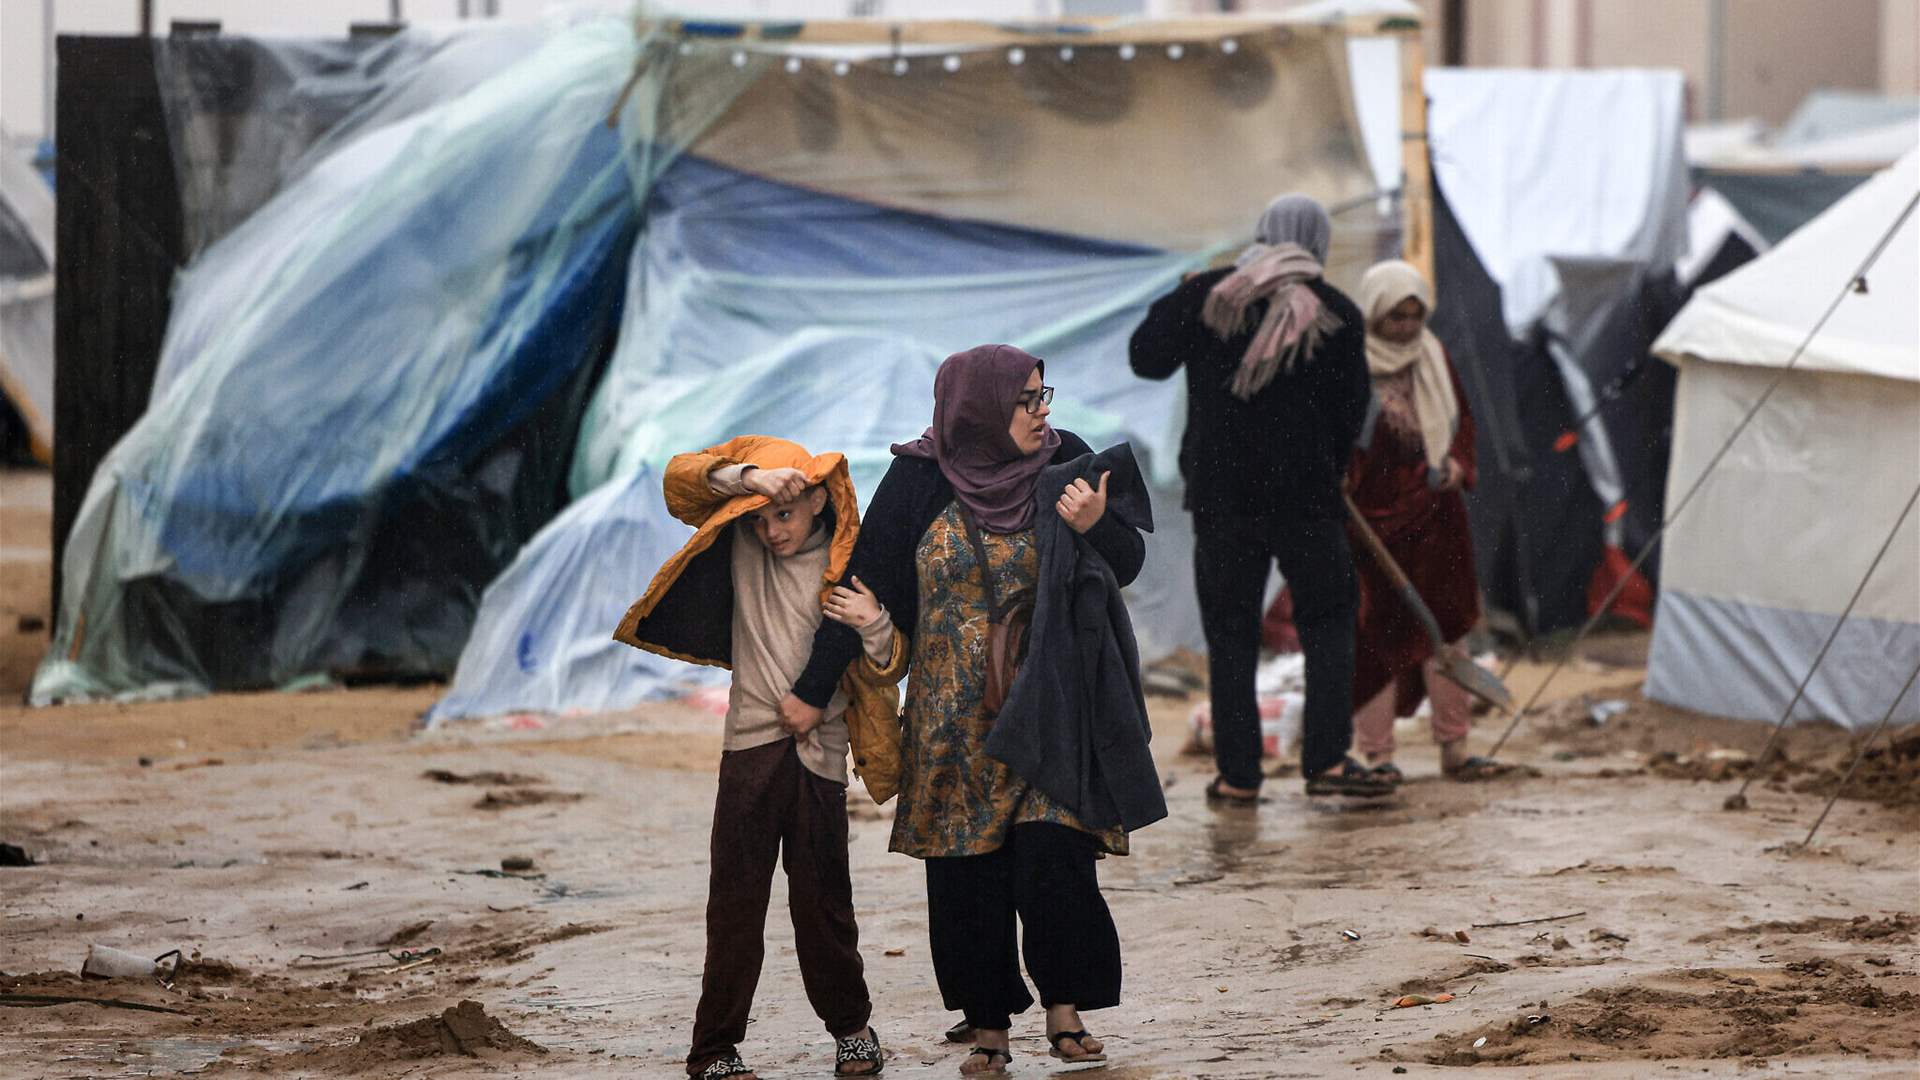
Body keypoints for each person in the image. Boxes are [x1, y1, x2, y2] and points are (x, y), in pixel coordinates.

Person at [782, 345, 1157, 1077]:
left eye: (1045, 394)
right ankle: (988, 1027)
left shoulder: (1067, 461)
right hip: (953, 723)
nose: (1043, 411)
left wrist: (1094, 525)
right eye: (1027, 399)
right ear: (978, 407)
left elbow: (1127, 562)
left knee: (1057, 860)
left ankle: (1066, 1011)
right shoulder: (920, 480)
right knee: (966, 877)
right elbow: (865, 584)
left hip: (1053, 703)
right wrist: (810, 689)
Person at [611, 436, 900, 1080]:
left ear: (821, 501)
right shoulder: (742, 540)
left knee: (824, 904)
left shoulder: (848, 567)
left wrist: (875, 622)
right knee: (735, 904)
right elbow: (682, 480)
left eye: (787, 516)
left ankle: (852, 1030)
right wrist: (753, 481)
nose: (772, 531)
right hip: (748, 748)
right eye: (764, 517)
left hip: (820, 755)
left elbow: (886, 665)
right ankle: (713, 1048)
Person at [1129, 193, 1385, 802]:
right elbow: (1353, 413)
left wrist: (1183, 294)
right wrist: (1327, 461)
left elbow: (1146, 360)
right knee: (1326, 622)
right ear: (1316, 240)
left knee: (1231, 631)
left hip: (1223, 499)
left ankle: (1239, 776)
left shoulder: (1212, 296)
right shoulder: (1337, 313)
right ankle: (1325, 762)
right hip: (1307, 500)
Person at [1347, 260, 1491, 783]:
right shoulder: (1352, 365)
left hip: (1438, 520)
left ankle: (1455, 747)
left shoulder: (1433, 355)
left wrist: (1457, 462)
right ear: (1374, 314)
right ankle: (1378, 756)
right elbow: (1346, 447)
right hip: (1373, 527)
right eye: (1395, 318)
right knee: (1375, 639)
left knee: (1447, 630)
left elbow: (1463, 425)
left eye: (1414, 316)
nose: (1407, 328)